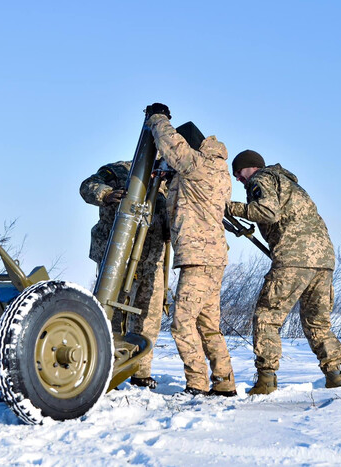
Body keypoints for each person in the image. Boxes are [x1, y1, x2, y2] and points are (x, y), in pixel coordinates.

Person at [227, 149, 341, 395]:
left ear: (249, 167)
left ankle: (266, 379)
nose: (238, 179)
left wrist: (229, 207)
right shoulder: (289, 183)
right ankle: (335, 376)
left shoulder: (261, 180)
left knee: (267, 316)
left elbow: (267, 212)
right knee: (317, 322)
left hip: (294, 258)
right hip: (323, 260)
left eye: (238, 173)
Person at [144, 103, 237, 397]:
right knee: (209, 325)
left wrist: (157, 118)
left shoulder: (198, 165)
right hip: (213, 258)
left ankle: (196, 384)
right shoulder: (217, 170)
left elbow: (171, 144)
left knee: (182, 323)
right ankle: (224, 384)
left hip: (198, 258)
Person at [79, 161, 170, 389]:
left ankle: (141, 372)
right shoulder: (120, 170)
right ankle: (107, 370)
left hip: (151, 258)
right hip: (116, 255)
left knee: (149, 315)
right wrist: (107, 194)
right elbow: (87, 186)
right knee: (111, 312)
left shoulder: (170, 182)